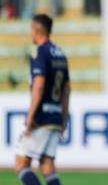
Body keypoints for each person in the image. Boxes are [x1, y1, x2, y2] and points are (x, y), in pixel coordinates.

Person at [15, 14, 70, 185]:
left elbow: (38, 84)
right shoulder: (60, 53)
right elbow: (67, 90)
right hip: (55, 116)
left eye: (31, 29)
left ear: (37, 29)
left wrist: (30, 115)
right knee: (47, 166)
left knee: (21, 164)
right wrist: (63, 119)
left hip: (41, 116)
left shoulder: (40, 51)